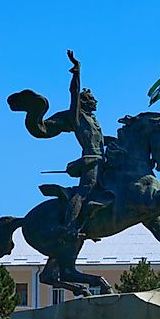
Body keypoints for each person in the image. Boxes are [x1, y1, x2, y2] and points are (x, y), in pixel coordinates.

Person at [61, 50, 104, 241]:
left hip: (102, 159)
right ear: (85, 102)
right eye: (92, 99)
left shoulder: (95, 121)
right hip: (90, 160)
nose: (96, 101)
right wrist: (77, 71)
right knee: (86, 190)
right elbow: (73, 93)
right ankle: (70, 227)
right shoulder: (78, 116)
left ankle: (94, 221)